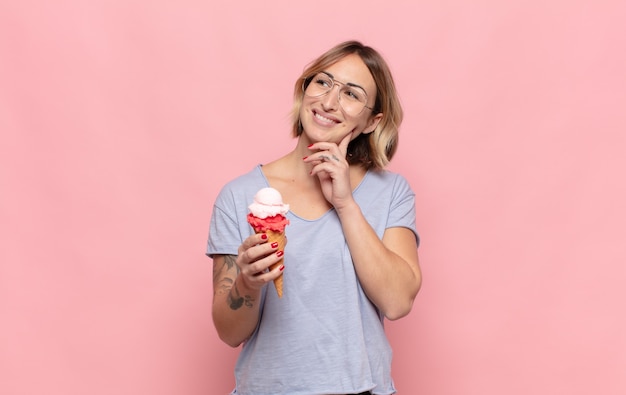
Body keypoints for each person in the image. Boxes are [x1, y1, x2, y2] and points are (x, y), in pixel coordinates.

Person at [207, 40, 422, 395]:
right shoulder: (239, 195)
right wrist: (247, 282)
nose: (328, 102)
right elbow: (229, 333)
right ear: (304, 89)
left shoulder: (391, 192)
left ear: (372, 121)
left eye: (351, 94)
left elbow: (398, 302)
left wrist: (345, 204)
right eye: (322, 82)